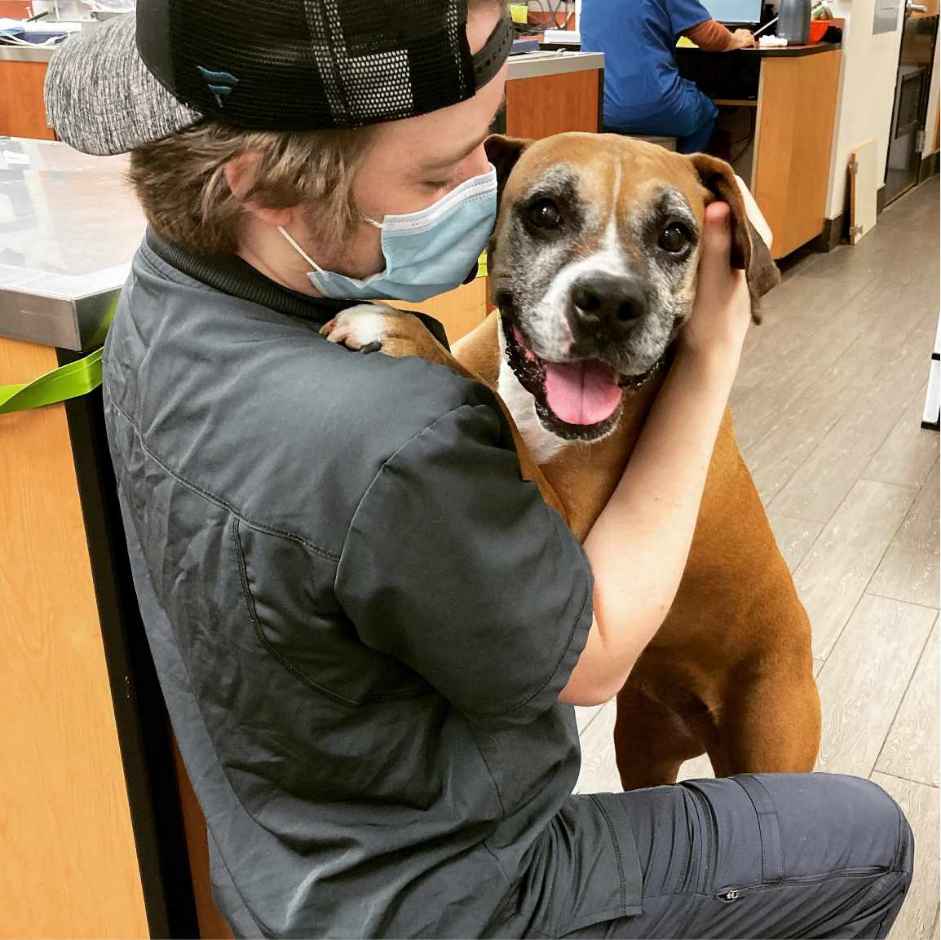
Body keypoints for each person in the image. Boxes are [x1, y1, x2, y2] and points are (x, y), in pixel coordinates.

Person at [45, 1, 912, 937]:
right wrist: (709, 359)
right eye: (441, 169)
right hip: (460, 887)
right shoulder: (395, 433)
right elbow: (594, 650)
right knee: (863, 834)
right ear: (264, 184)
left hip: (283, 852)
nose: (484, 183)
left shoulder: (159, 297)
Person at [581, 0, 756, 154]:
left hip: (598, 111)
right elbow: (710, 36)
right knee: (707, 113)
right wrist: (736, 39)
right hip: (656, 106)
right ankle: (679, 176)